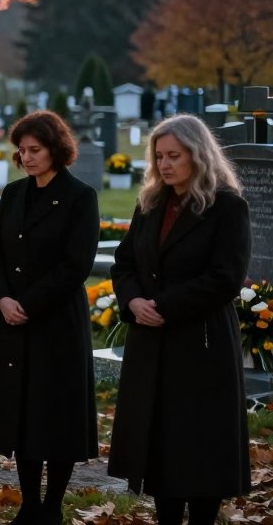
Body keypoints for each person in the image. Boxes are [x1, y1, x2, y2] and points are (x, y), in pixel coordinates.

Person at [108, 115, 251, 525]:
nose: (165, 164)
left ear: (198, 155)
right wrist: (134, 301)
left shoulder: (227, 206)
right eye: (159, 156)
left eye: (175, 156)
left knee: (200, 450)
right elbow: (124, 263)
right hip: (151, 344)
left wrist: (163, 306)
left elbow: (225, 276)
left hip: (201, 345)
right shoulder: (150, 203)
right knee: (160, 447)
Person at [0, 111, 100, 525]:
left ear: (56, 150)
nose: (27, 157)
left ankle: (53, 507)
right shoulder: (14, 194)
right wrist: (3, 300)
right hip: (13, 322)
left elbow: (75, 263)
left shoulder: (80, 196)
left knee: (57, 415)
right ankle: (30, 506)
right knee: (23, 414)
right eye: (22, 150)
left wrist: (27, 303)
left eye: (35, 150)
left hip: (56, 323)